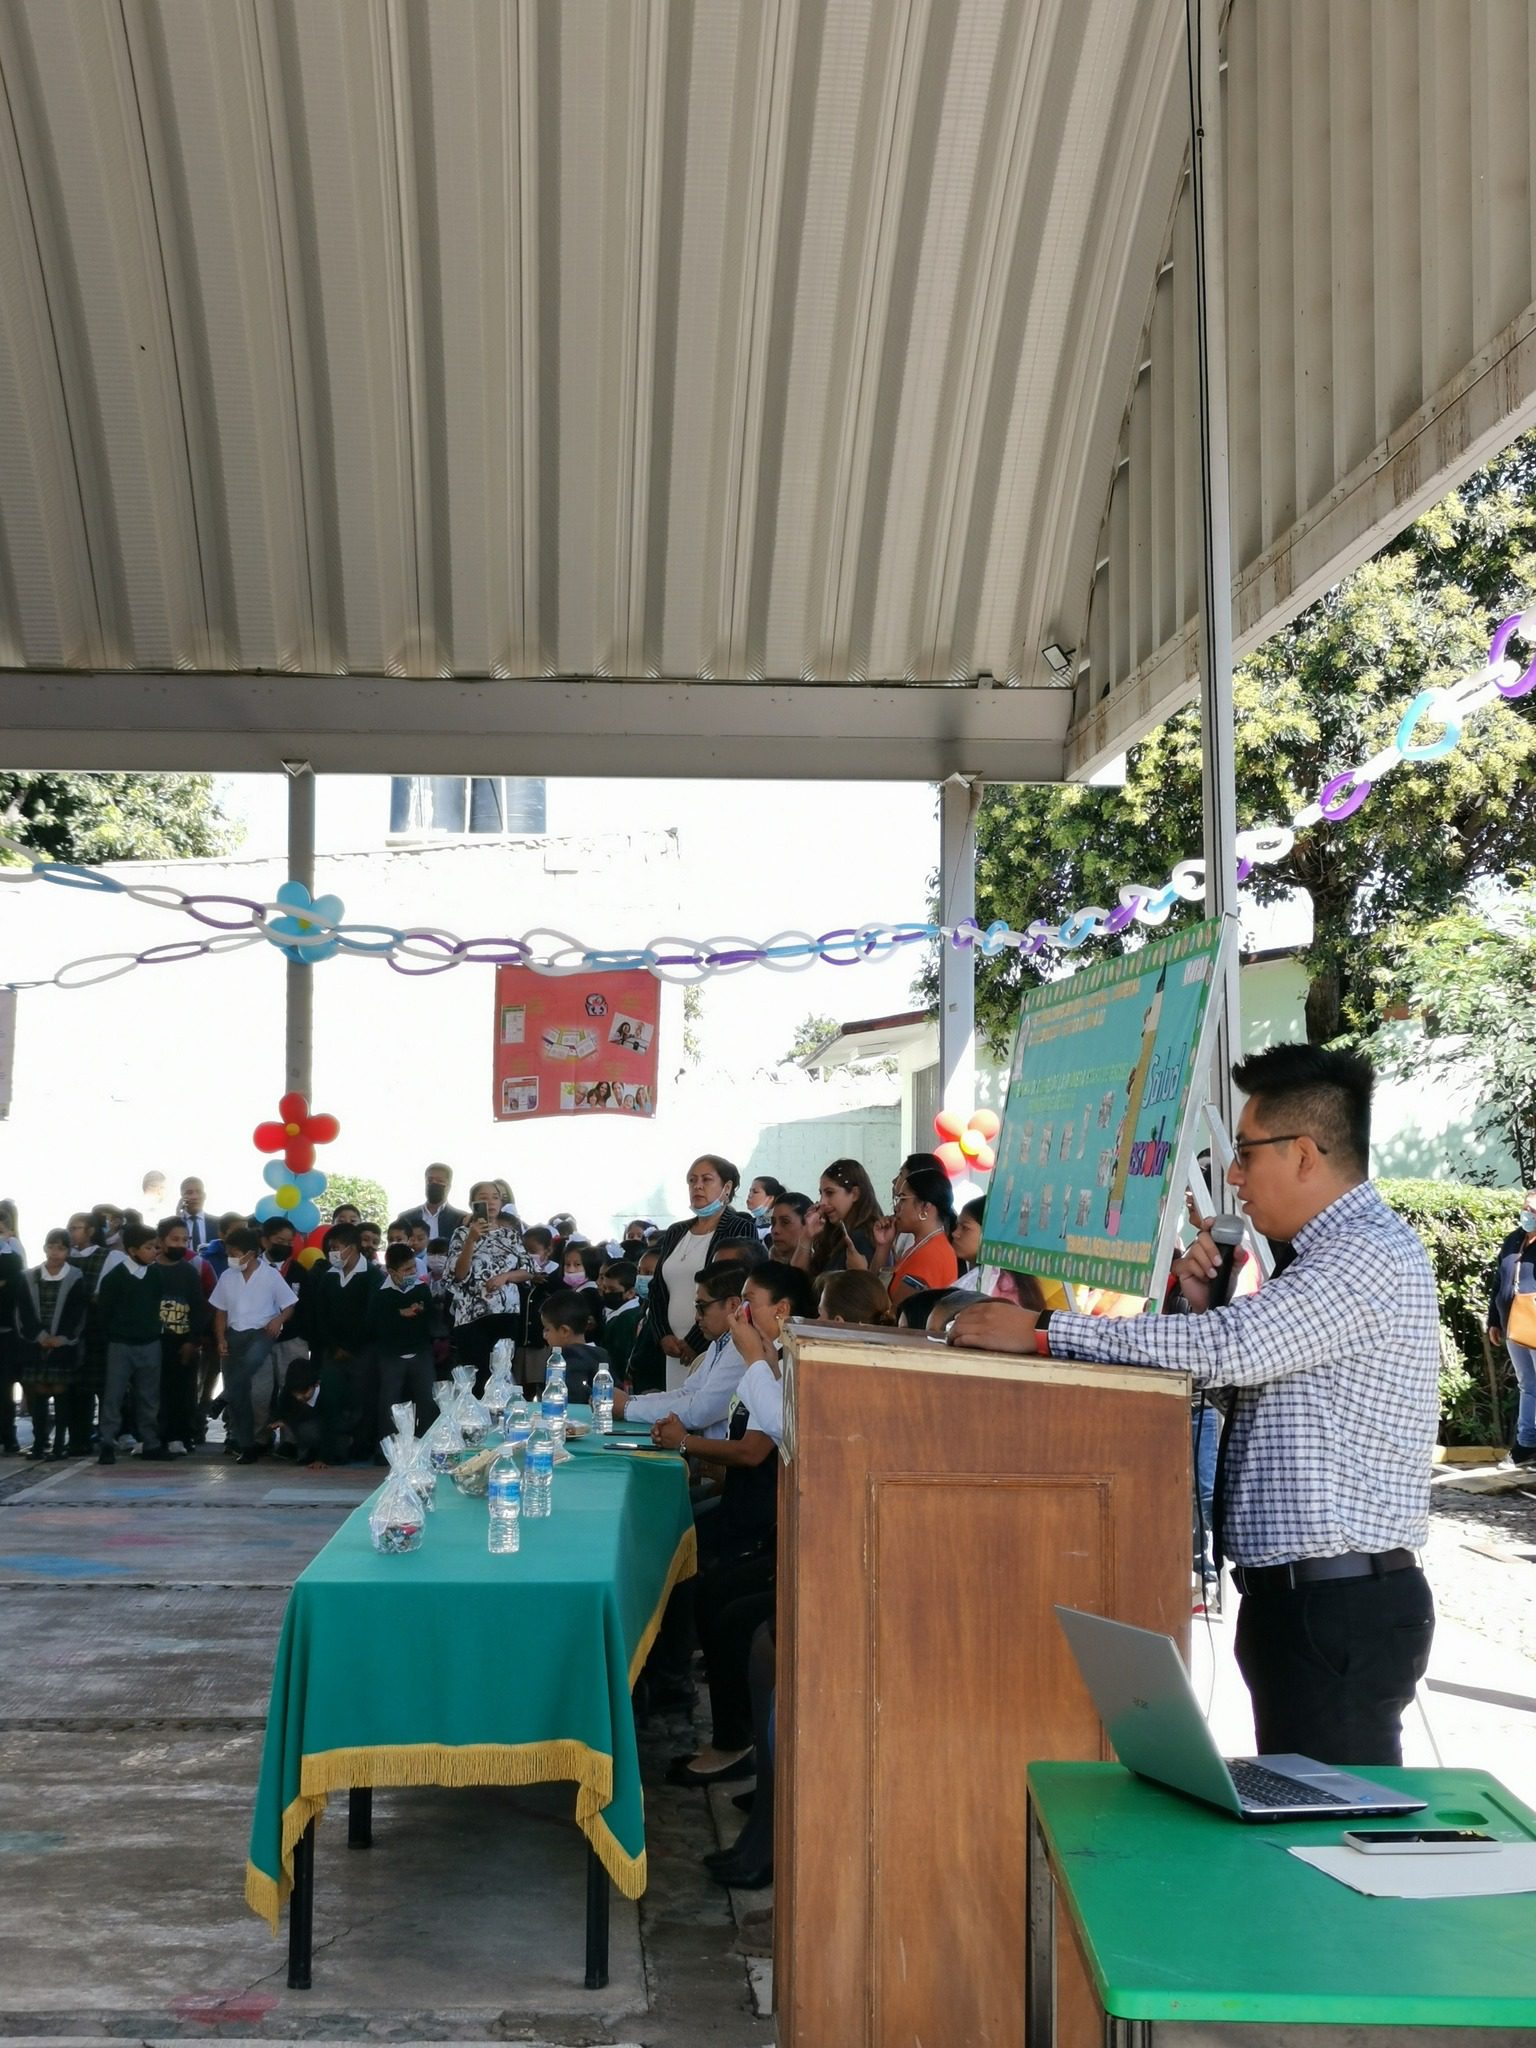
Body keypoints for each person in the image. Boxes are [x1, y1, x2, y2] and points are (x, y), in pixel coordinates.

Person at [950, 1042, 1439, 1768]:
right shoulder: (1316, 1256)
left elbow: (1234, 1349)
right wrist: (1196, 1305)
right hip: (1301, 1602)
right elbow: (1243, 1369)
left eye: (1246, 1154)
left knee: (1339, 1847)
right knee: (1307, 1829)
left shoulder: (1364, 1252)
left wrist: (1047, 1332)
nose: (1234, 1178)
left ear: (1305, 1154)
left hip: (1341, 1607)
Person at [656, 1263, 815, 1820]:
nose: (740, 1312)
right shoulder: (768, 1360)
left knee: (724, 1602)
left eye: (752, 1302)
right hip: (754, 1504)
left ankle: (734, 1739)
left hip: (771, 1521)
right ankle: (720, 1724)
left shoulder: (786, 1363)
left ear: (784, 1311)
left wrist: (691, 1448)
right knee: (704, 1580)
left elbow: (762, 1445)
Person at [644, 1157, 760, 1389]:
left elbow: (734, 1287)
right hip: (672, 1346)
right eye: (692, 1180)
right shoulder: (677, 1231)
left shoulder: (739, 1227)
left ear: (726, 1188)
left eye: (706, 1180)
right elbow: (657, 1289)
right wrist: (663, 1335)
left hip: (712, 1342)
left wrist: (693, 1342)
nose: (697, 1186)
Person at [614, 1265, 748, 1436]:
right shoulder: (720, 1342)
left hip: (722, 1459)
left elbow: (700, 1412)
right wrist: (630, 1401)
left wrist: (627, 1408)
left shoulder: (740, 1350)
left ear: (733, 1305)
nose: (697, 1317)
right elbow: (688, 1393)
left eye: (702, 1307)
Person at [210, 1227, 298, 1464]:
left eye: (235, 1253)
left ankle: (221, 1397)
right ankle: (247, 1446)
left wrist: (278, 1319)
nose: (232, 1258)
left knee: (254, 1360)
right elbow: (220, 1311)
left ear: (250, 1253)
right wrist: (220, 1339)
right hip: (233, 1334)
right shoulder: (227, 1277)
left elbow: (289, 1305)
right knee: (239, 1397)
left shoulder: (270, 1275)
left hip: (261, 1332)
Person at [304, 1223, 381, 1458]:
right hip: (332, 1350)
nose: (332, 1253)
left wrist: (352, 1346)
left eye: (337, 1247)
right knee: (331, 1398)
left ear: (352, 1247)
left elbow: (372, 1315)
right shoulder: (328, 1277)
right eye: (330, 1248)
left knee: (362, 1398)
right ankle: (333, 1449)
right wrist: (333, 1346)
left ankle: (362, 1446)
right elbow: (321, 1315)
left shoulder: (372, 1275)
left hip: (363, 1350)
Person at [444, 1181, 526, 1385]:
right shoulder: (461, 1234)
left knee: (502, 1374)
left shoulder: (511, 1234)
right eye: (484, 1197)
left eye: (495, 1197)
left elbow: (528, 1271)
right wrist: (471, 1240)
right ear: (473, 1203)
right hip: (472, 1317)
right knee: (477, 1378)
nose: (490, 1202)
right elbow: (459, 1275)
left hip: (506, 1313)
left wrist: (505, 1277)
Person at [97, 1223, 166, 1463]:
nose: (154, 1251)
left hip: (150, 1343)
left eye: (155, 1247)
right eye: (148, 1248)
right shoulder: (115, 1278)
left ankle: (151, 1441)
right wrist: (114, 1335)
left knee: (149, 1396)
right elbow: (103, 1312)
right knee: (114, 1395)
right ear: (133, 1250)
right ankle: (107, 1441)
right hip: (121, 1344)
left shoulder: (156, 1275)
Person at [16, 1231, 87, 1460]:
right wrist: (40, 1336)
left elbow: (77, 1312)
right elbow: (23, 1310)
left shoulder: (75, 1277)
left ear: (68, 1251)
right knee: (38, 1393)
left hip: (62, 1345)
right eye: (52, 1247)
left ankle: (59, 1445)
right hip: (36, 1344)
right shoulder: (29, 1276)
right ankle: (39, 1442)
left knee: (61, 1393)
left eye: (61, 1248)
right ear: (45, 1248)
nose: (56, 1253)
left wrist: (62, 1338)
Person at [1487, 1189, 1536, 1466]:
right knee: (1527, 1385)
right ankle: (1526, 1443)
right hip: (1514, 1324)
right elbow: (1499, 1281)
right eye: (1526, 1208)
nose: (1527, 1215)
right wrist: (1494, 1319)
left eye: (1534, 1211)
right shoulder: (1513, 1239)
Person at [368, 1243, 437, 1439]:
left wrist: (422, 1312)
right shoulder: (380, 1293)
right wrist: (399, 1314)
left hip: (420, 1352)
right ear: (391, 1271)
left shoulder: (421, 1289)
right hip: (391, 1355)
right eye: (406, 1269)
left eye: (413, 1267)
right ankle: (389, 1447)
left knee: (427, 1400)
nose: (412, 1272)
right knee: (390, 1402)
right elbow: (374, 1324)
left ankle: (427, 1443)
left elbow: (431, 1320)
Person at [869, 1165, 960, 1307]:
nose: (897, 1207)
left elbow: (895, 1313)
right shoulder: (920, 1246)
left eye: (903, 1199)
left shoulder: (931, 1254)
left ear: (925, 1207)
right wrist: (883, 1246)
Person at [154, 1217, 207, 1457]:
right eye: (174, 1239)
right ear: (161, 1241)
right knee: (155, 1391)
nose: (180, 1244)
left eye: (184, 1240)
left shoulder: (188, 1271)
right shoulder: (150, 1271)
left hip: (182, 1342)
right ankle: (155, 1435)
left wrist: (192, 1341)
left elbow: (198, 1307)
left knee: (182, 1391)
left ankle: (180, 1436)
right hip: (154, 1343)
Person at [793, 1159, 882, 1281]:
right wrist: (806, 1236)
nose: (822, 1202)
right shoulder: (836, 1233)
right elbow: (794, 1281)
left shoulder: (861, 1238)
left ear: (855, 1194)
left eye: (830, 1193)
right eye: (821, 1194)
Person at [537, 1291, 607, 1402]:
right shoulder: (602, 1353)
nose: (544, 1336)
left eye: (547, 1329)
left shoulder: (565, 1360)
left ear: (565, 1331)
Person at [399, 1164, 468, 1244]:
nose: (434, 1183)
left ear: (449, 1186)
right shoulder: (406, 1218)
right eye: (430, 1180)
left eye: (439, 1181)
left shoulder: (461, 1219)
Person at [597, 1259, 643, 1380]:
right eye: (605, 1288)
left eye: (612, 1290)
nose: (606, 1292)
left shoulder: (626, 1319)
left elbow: (619, 1358)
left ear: (630, 1292)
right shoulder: (618, 1313)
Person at [767, 1192, 811, 1263]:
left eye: (785, 1222)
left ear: (806, 1224)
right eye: (773, 1223)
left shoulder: (823, 1268)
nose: (775, 1230)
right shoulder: (764, 1269)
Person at [178, 1178, 217, 1254]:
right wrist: (178, 1217)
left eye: (199, 1192)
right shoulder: (176, 1223)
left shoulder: (217, 1223)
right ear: (182, 1197)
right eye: (189, 1193)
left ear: (204, 1196)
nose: (194, 1197)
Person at [745, 1175, 786, 1240]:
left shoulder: (780, 1228)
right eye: (750, 1191)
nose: (749, 1195)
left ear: (770, 1198)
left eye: (755, 1192)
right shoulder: (748, 1225)